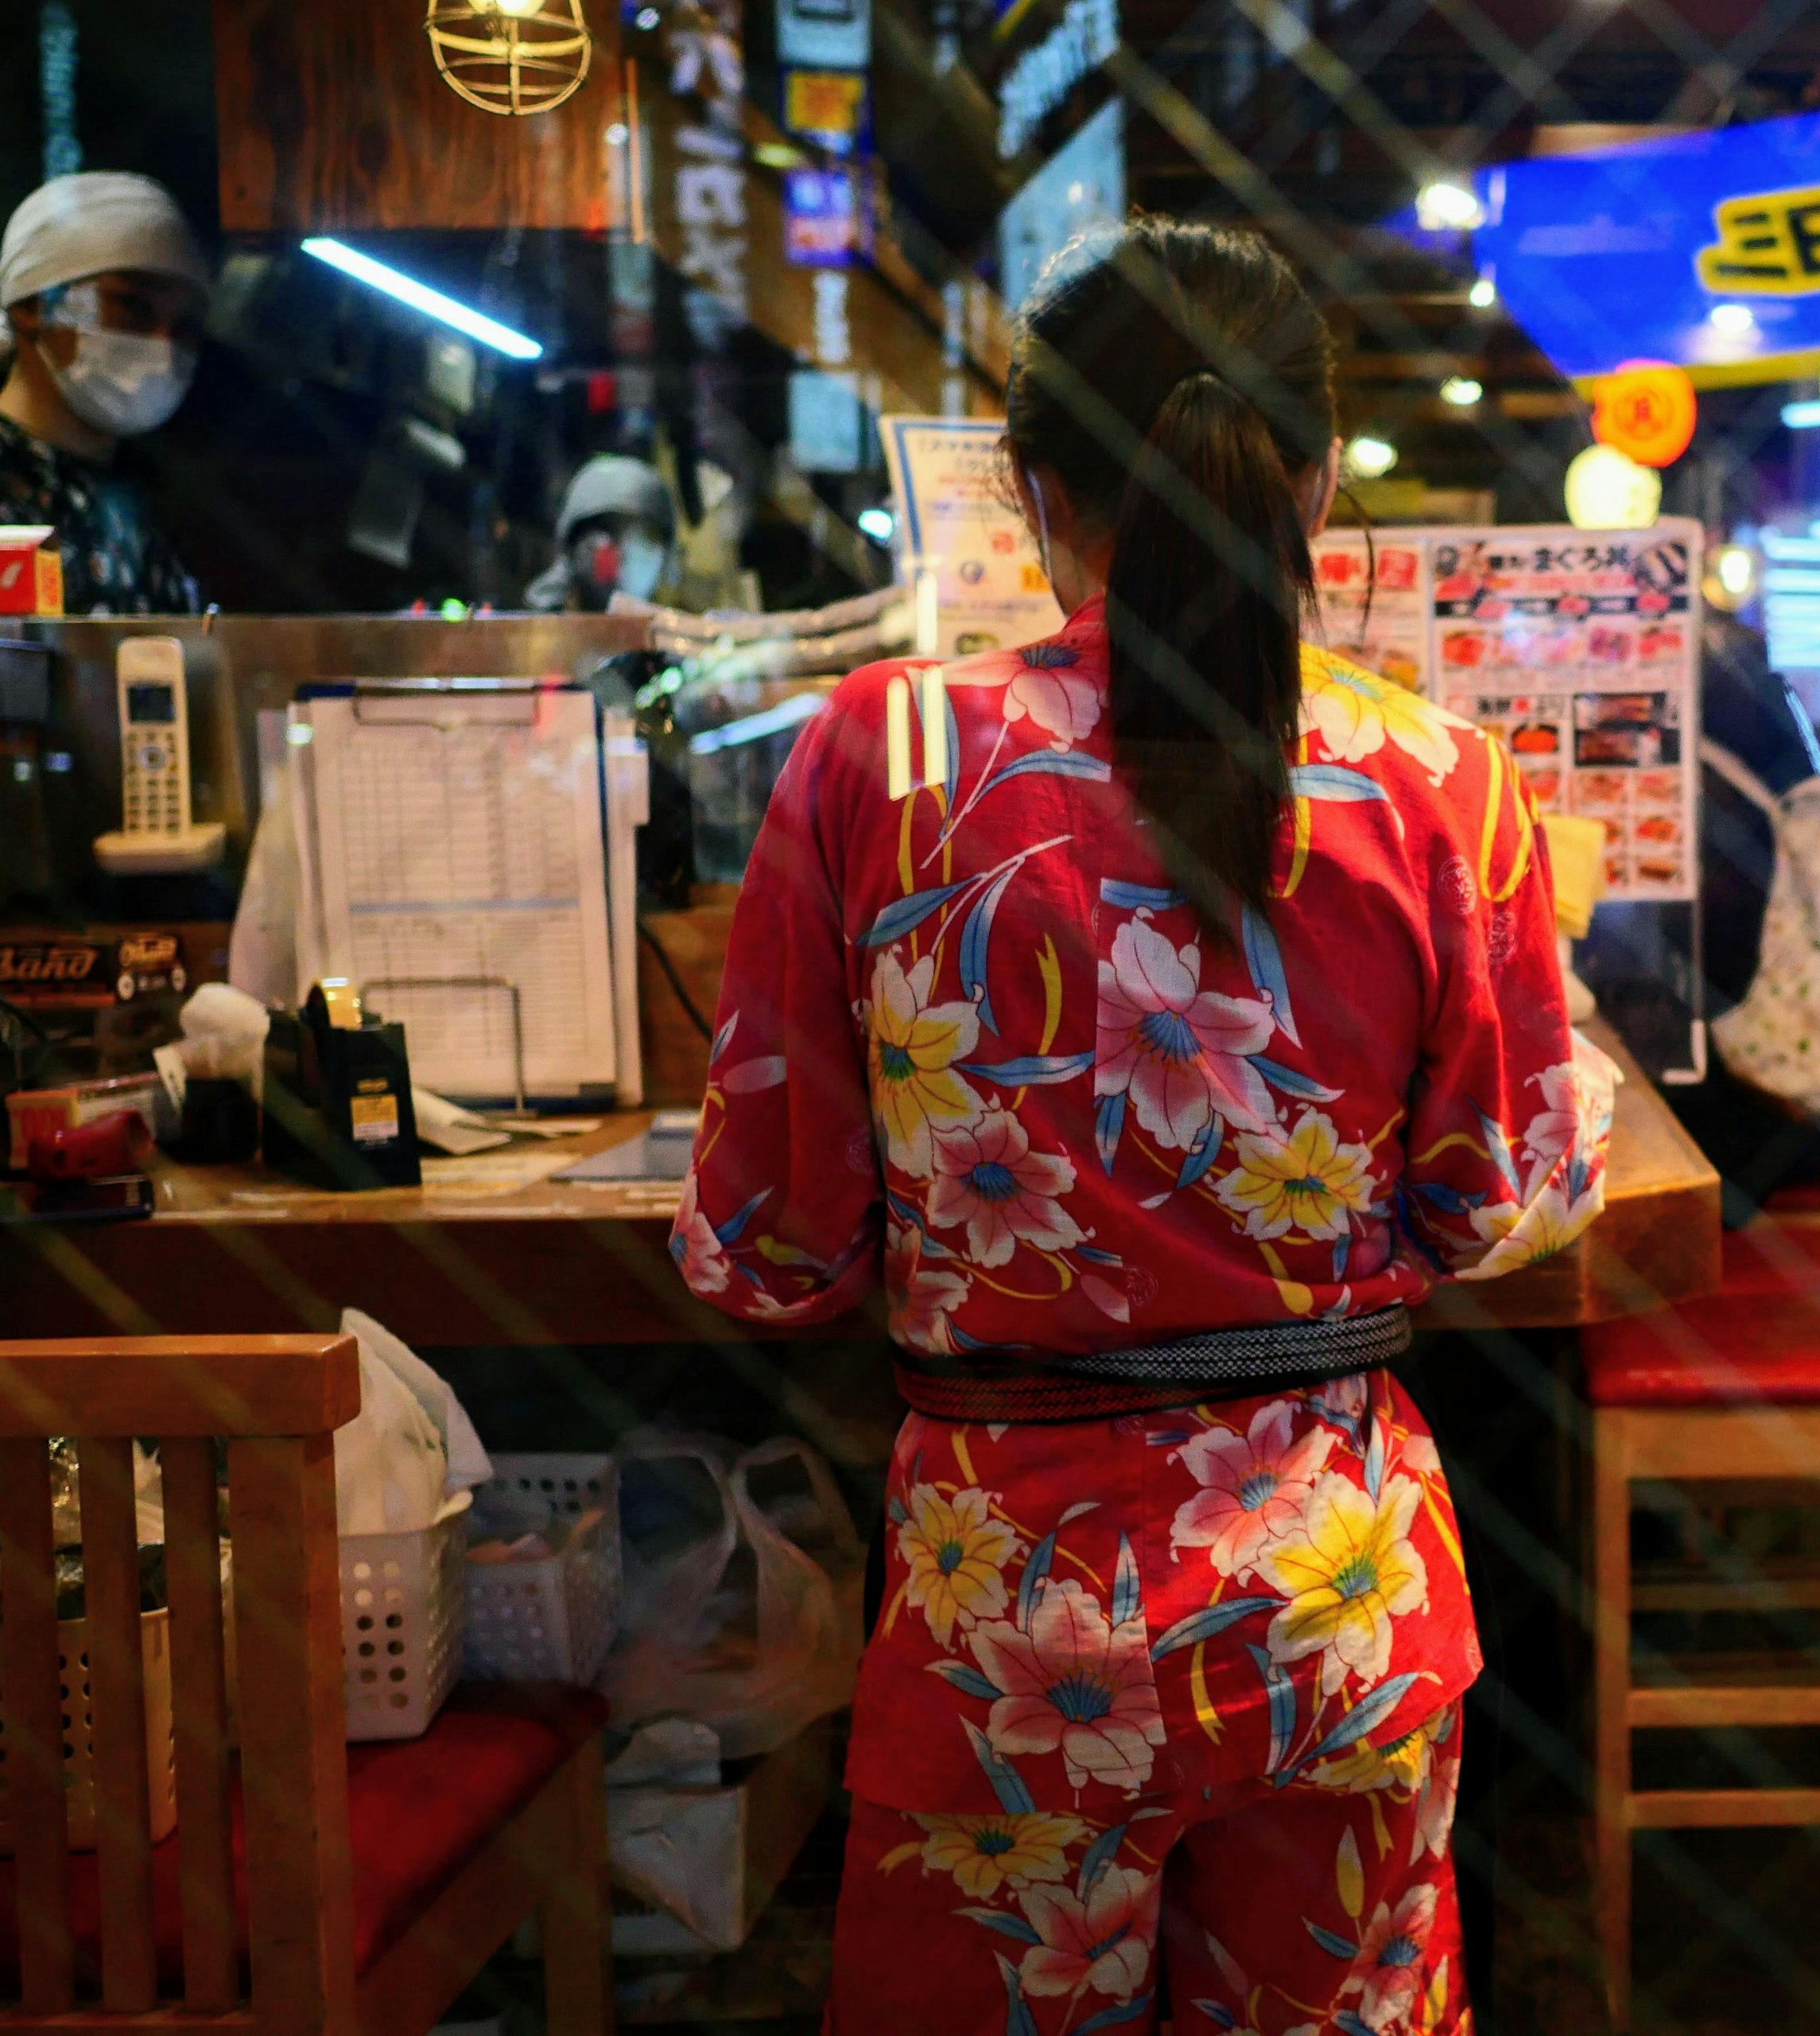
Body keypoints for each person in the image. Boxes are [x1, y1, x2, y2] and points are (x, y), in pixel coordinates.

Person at [671, 218, 1607, 2036]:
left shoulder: (888, 756)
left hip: (1009, 1618)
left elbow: (769, 1248)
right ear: (1319, 481)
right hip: (1336, 1610)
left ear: (1027, 489)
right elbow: (1499, 1197)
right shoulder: (1438, 781)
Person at [0, 172, 208, 615]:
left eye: (185, 325)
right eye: (131, 304)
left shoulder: (142, 499)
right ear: (31, 305)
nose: (162, 346)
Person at [526, 453, 675, 611]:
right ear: (573, 545)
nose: (626, 553)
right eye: (609, 530)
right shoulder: (539, 630)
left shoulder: (677, 631)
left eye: (647, 537)